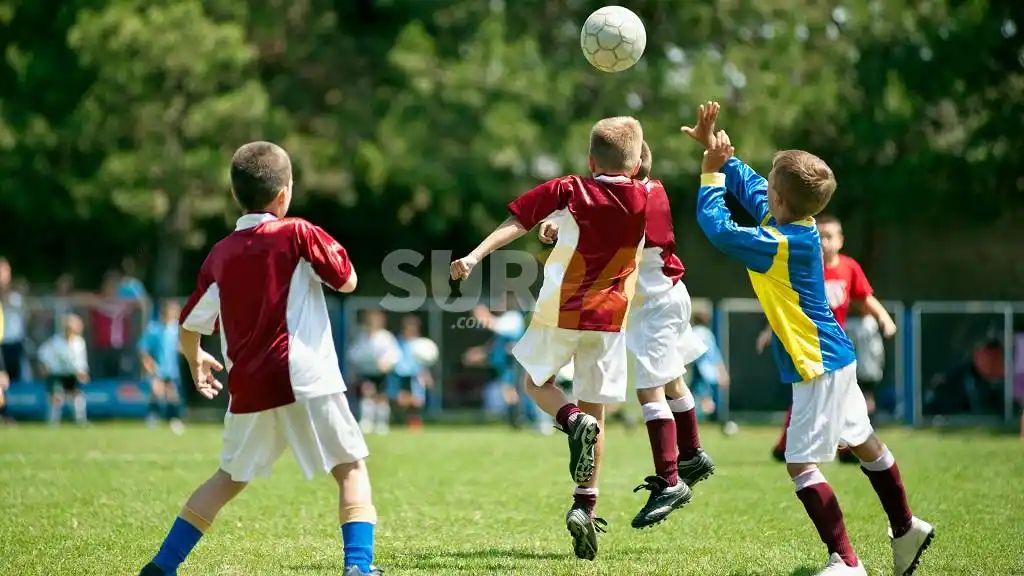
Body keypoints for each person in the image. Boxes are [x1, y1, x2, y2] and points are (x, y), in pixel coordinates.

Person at [689, 101, 933, 576]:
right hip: (834, 358)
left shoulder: (781, 244)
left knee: (800, 464)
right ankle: (906, 529)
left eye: (771, 184)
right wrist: (721, 153)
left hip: (816, 365)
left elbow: (717, 228)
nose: (765, 188)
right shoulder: (790, 224)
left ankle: (845, 562)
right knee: (864, 443)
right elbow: (757, 188)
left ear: (781, 200)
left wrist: (710, 174)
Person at [138, 141, 381, 576]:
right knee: (350, 468)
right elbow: (347, 281)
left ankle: (162, 565)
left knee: (227, 478)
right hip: (307, 377)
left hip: (249, 387)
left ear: (235, 195)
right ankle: (359, 568)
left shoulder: (220, 254)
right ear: (284, 194)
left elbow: (190, 325)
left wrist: (196, 361)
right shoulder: (298, 232)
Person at [450, 116, 648, 561]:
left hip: (561, 310)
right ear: (636, 163)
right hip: (611, 318)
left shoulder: (570, 190)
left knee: (537, 385)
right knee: (596, 411)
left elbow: (517, 221)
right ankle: (584, 503)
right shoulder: (647, 196)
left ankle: (568, 419)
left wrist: (474, 255)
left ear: (590, 160)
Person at [537, 140, 712, 530]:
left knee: (649, 390)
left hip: (653, 305)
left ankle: (669, 480)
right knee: (673, 381)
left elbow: (598, 220)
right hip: (670, 294)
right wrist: (559, 220)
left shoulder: (630, 200)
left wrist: (560, 221)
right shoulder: (656, 190)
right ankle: (694, 453)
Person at [761, 214, 898, 462]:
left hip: (836, 344)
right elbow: (788, 307)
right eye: (819, 236)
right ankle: (790, 445)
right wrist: (768, 332)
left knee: (842, 395)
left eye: (829, 236)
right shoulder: (805, 266)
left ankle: (848, 446)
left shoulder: (849, 267)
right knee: (806, 393)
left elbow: (864, 298)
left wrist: (884, 319)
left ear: (841, 240)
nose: (823, 242)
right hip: (807, 343)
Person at [347, 309, 399, 435]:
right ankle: (366, 422)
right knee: (367, 394)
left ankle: (381, 423)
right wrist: (357, 365)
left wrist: (387, 363)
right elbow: (353, 353)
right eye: (370, 321)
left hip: (381, 372)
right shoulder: (361, 337)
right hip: (366, 371)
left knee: (381, 397)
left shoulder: (386, 337)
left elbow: (394, 353)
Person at [139, 300, 186, 434]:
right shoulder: (154, 329)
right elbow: (143, 348)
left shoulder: (176, 330)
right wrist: (148, 363)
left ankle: (174, 419)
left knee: (172, 395)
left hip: (171, 370)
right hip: (157, 368)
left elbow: (180, 346)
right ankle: (152, 417)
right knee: (157, 391)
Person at [37, 314, 90, 427]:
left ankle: (81, 421)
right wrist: (44, 367)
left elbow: (81, 361)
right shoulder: (55, 341)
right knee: (56, 398)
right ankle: (53, 422)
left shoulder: (79, 343)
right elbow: (42, 354)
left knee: (78, 398)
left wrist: (83, 372)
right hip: (56, 374)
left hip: (72, 374)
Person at [388, 315, 433, 430]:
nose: (412, 329)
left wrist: (427, 375)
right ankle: (397, 423)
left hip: (415, 376)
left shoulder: (421, 344)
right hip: (399, 375)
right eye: (409, 326)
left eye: (415, 327)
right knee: (401, 401)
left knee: (417, 402)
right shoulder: (396, 342)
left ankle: (414, 426)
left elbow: (424, 362)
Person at [688, 303, 730, 422]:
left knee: (697, 396)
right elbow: (715, 355)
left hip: (700, 369)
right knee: (702, 397)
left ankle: (699, 417)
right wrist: (723, 373)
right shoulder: (706, 334)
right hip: (707, 371)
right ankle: (706, 416)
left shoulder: (695, 332)